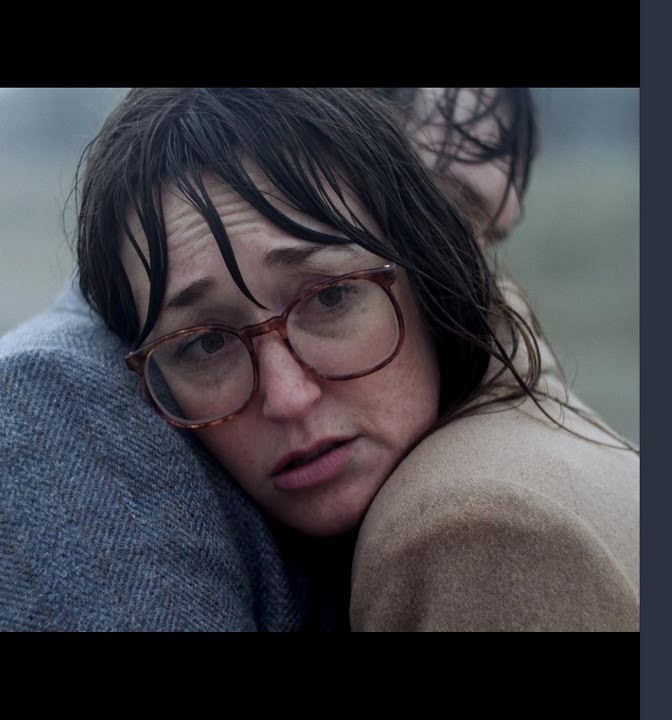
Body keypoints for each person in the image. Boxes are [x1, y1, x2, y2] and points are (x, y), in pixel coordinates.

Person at [75, 87, 639, 631]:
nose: (288, 398)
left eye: (329, 297)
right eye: (206, 343)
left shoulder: (466, 536)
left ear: (433, 275)